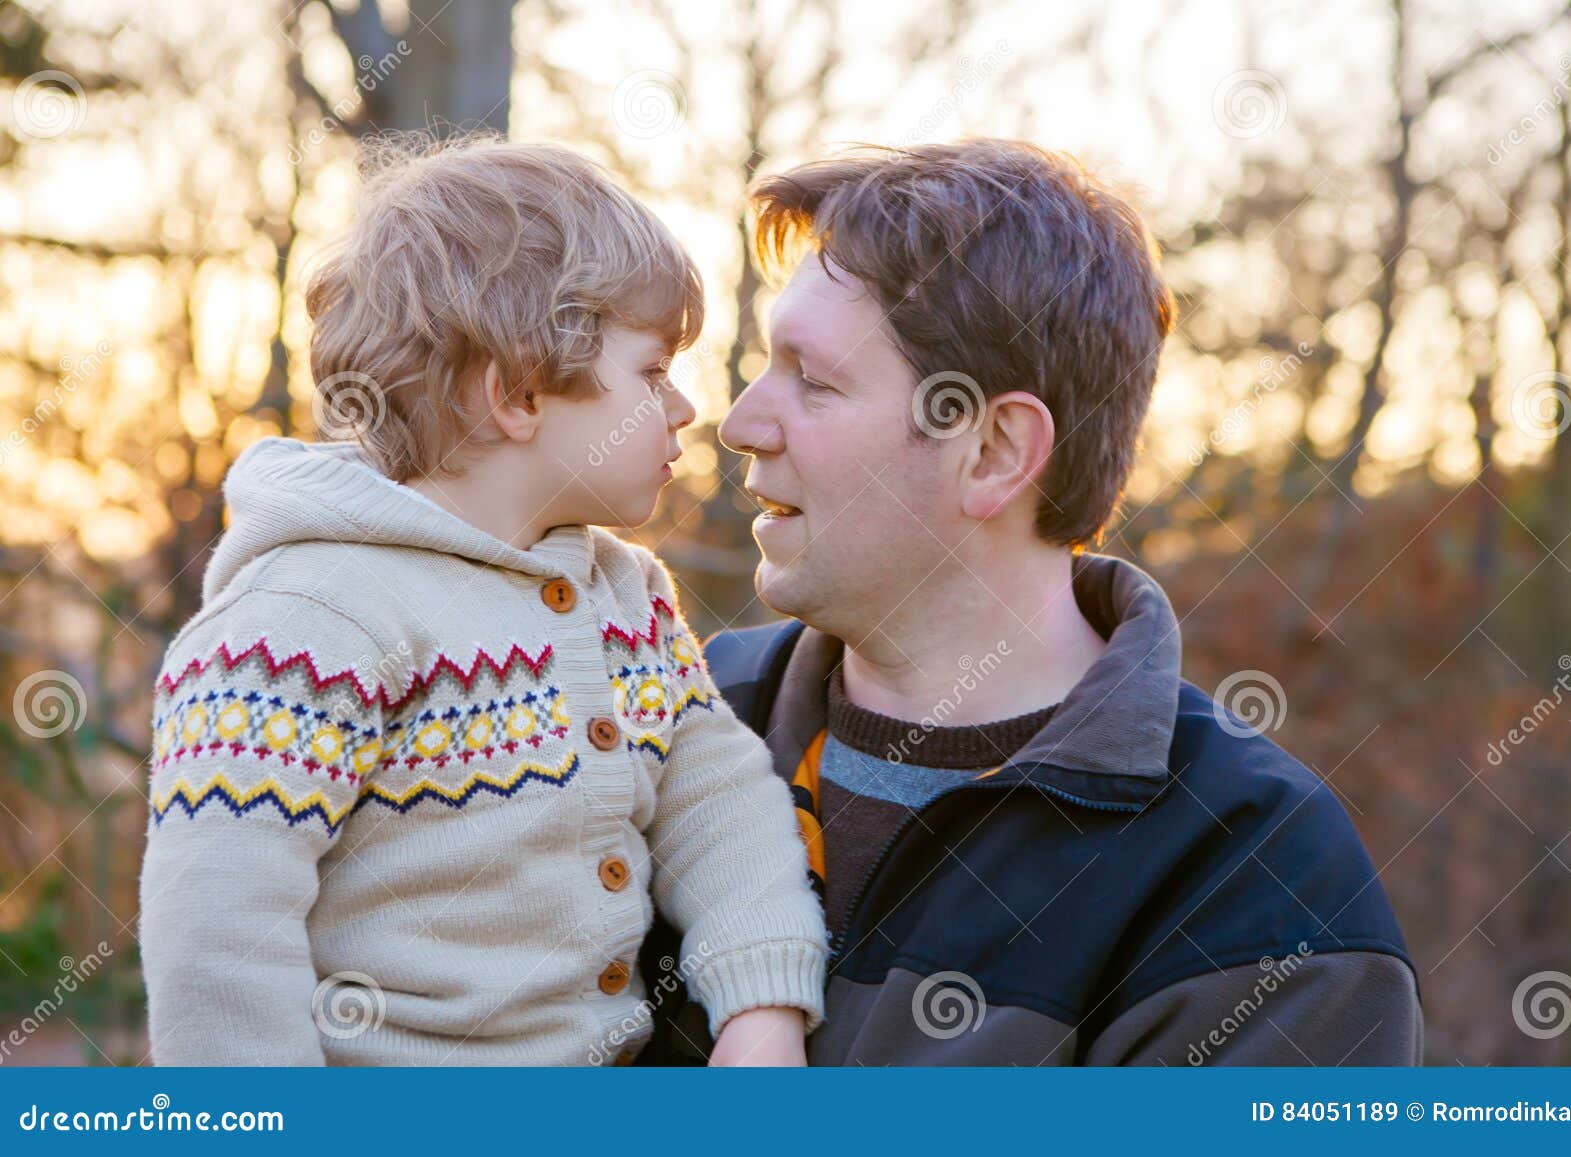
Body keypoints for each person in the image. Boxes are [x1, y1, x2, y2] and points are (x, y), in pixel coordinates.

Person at [639, 140, 1423, 1065]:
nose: (739, 424)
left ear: (996, 451)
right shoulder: (654, 717)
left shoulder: (1260, 894)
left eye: (812, 380)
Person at [139, 137, 826, 1066]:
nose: (684, 409)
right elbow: (216, 924)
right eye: (653, 371)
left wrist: (761, 1006)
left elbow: (718, 798)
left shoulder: (627, 596)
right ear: (515, 393)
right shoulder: (305, 618)